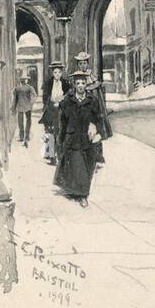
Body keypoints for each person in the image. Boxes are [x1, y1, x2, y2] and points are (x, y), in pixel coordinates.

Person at [54, 70, 102, 206]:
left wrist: (98, 133)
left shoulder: (92, 101)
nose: (80, 85)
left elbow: (99, 119)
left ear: (86, 84)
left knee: (88, 167)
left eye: (83, 83)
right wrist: (60, 140)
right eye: (78, 83)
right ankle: (82, 196)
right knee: (77, 165)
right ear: (74, 85)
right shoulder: (67, 102)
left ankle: (78, 191)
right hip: (73, 138)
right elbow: (62, 123)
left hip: (88, 139)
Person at [39, 62, 70, 163]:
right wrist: (49, 104)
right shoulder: (48, 83)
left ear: (61, 73)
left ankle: (60, 154)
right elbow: (45, 97)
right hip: (51, 109)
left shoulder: (65, 83)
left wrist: (62, 102)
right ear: (52, 73)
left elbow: (68, 96)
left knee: (60, 131)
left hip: (61, 109)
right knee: (50, 132)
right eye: (55, 72)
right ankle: (50, 155)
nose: (57, 74)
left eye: (59, 72)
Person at [11, 74, 36, 148]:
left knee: (20, 122)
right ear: (25, 80)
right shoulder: (29, 87)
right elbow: (34, 95)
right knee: (28, 121)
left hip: (20, 107)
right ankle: (27, 136)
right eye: (25, 79)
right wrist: (31, 103)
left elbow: (14, 98)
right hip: (28, 106)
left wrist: (13, 107)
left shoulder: (17, 88)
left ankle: (22, 136)